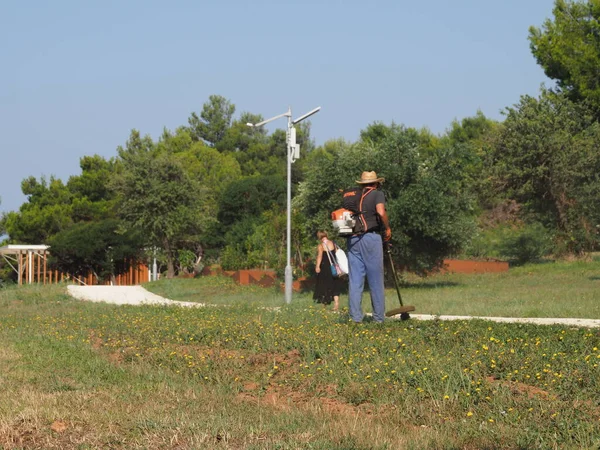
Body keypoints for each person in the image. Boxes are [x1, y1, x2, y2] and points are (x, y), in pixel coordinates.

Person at [347, 171, 391, 323]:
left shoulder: (354, 195)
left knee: (355, 281)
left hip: (352, 239)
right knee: (375, 280)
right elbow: (380, 211)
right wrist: (387, 228)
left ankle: (355, 318)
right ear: (376, 183)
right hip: (370, 238)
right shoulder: (377, 194)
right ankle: (378, 319)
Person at [313, 231, 344, 311]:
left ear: (319, 237)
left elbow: (320, 256)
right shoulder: (333, 243)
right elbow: (337, 254)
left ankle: (324, 306)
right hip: (334, 267)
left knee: (325, 286)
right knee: (335, 285)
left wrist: (317, 266)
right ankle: (336, 303)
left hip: (325, 268)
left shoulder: (321, 246)